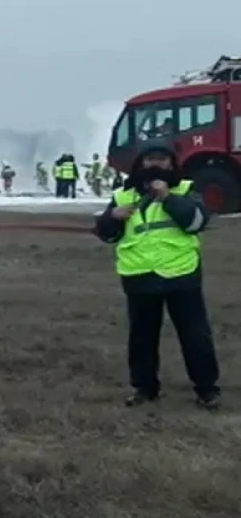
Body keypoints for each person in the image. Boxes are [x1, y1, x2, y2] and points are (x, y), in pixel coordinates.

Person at [93, 139, 220, 409]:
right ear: (139, 164)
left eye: (163, 159)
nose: (156, 164)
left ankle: (207, 390)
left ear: (172, 164)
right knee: (141, 338)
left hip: (181, 274)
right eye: (150, 159)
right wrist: (111, 217)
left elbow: (196, 222)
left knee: (195, 336)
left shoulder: (186, 190)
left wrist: (168, 198)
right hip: (139, 276)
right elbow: (107, 235)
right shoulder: (123, 196)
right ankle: (144, 388)